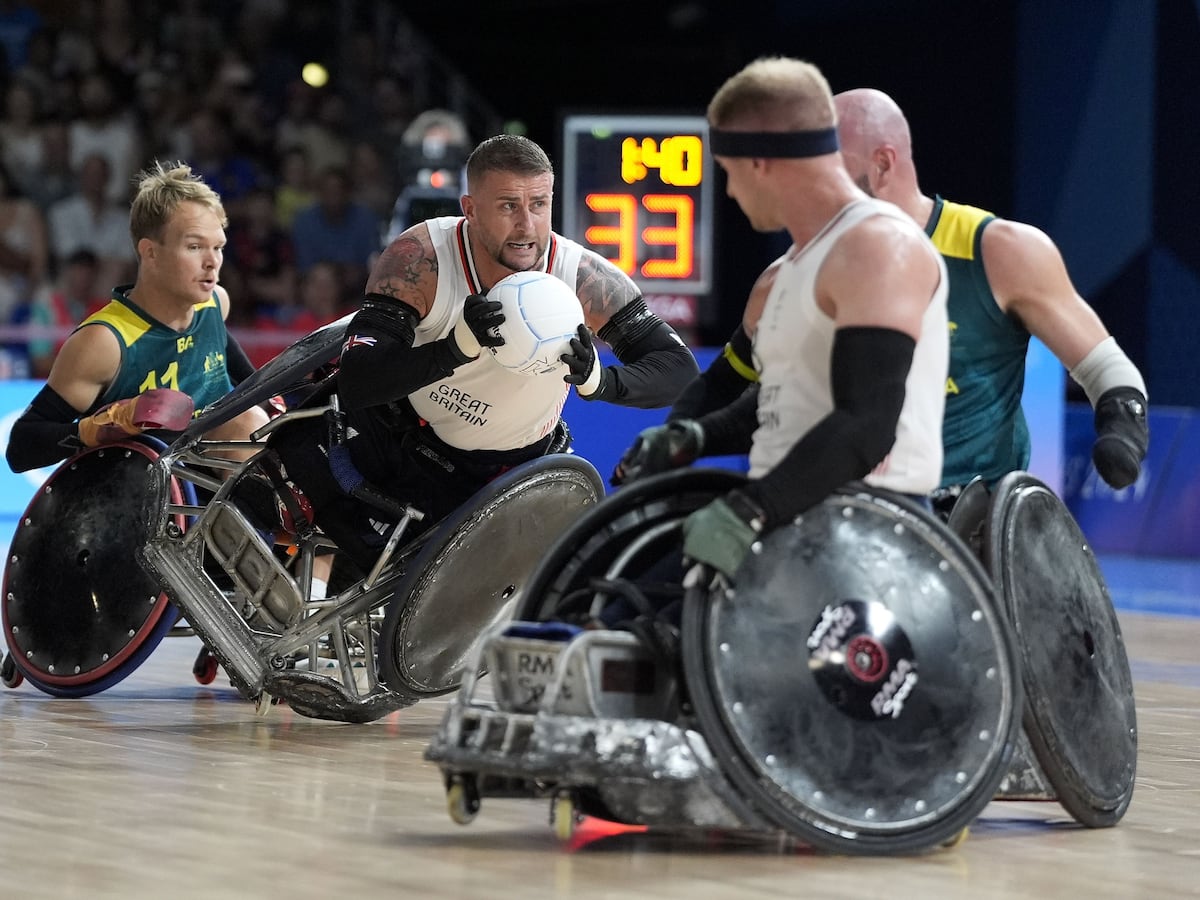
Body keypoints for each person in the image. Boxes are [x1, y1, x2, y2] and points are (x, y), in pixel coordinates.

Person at [265, 132, 700, 573]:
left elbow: (679, 371)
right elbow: (358, 379)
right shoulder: (423, 257)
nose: (527, 226)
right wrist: (454, 348)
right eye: (508, 205)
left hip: (500, 473)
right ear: (469, 209)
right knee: (277, 481)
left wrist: (600, 382)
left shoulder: (582, 275)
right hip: (399, 443)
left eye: (539, 204)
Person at [615, 57, 949, 582]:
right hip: (792, 513)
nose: (728, 191)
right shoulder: (784, 273)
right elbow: (780, 411)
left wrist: (751, 510)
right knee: (601, 614)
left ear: (759, 164)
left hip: (869, 531)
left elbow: (866, 424)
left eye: (727, 171)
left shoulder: (877, 245)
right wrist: (695, 438)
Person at [833, 87, 1149, 507]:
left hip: (969, 522)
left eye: (830, 171)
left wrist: (1121, 433)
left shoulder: (1000, 251)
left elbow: (1107, 370)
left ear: (883, 164)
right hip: (848, 512)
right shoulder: (815, 265)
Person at [6, 161, 266, 474]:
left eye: (219, 247)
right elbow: (20, 448)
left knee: (256, 420)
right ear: (150, 253)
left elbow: (248, 383)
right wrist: (105, 425)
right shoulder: (104, 342)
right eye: (195, 246)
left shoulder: (214, 304)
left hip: (211, 489)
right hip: (139, 499)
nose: (212, 262)